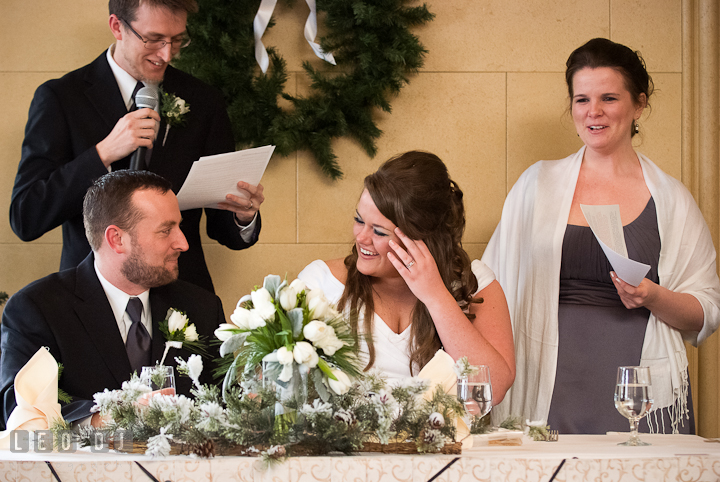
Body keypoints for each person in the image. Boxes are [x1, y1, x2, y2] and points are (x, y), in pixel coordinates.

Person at [483, 38, 720, 434]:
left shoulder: (672, 200)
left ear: (639, 104)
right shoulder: (535, 184)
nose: (593, 112)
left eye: (609, 98)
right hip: (546, 375)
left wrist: (652, 296)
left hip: (638, 386)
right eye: (581, 99)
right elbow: (490, 288)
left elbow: (707, 311)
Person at [9, 0, 264, 294]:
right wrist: (103, 153)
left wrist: (243, 216)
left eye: (177, 40)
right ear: (117, 26)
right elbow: (27, 216)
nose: (167, 54)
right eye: (154, 39)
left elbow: (224, 229)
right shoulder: (61, 98)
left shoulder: (204, 101)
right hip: (89, 302)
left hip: (184, 297)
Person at [0, 170, 226, 429]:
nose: (183, 243)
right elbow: (18, 409)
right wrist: (104, 419)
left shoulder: (202, 307)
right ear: (116, 239)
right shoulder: (38, 308)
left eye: (179, 226)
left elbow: (223, 401)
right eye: (166, 231)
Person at [298, 151, 516, 402]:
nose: (360, 238)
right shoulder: (322, 282)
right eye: (359, 220)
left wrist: (435, 296)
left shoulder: (475, 284)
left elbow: (493, 391)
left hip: (445, 440)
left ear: (422, 239)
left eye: (379, 232)